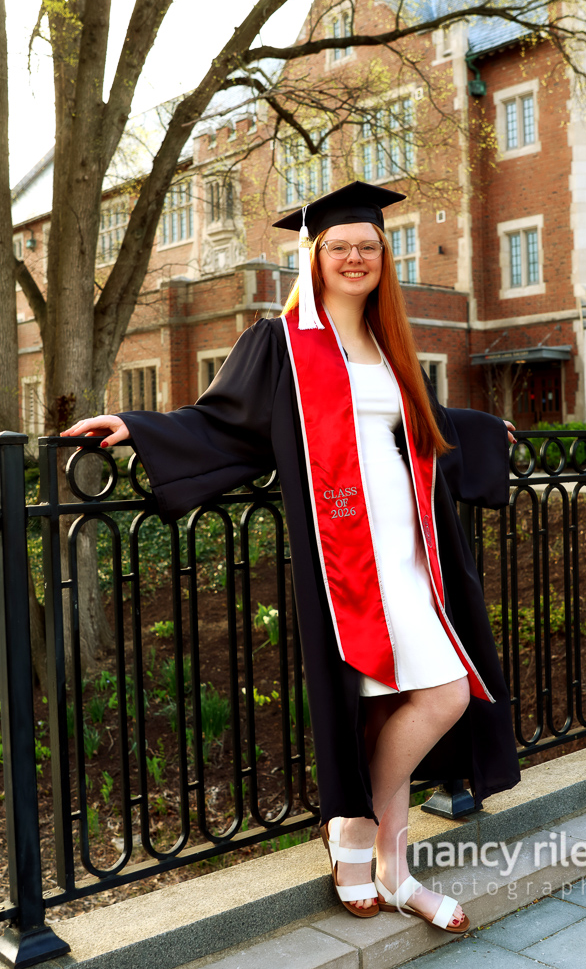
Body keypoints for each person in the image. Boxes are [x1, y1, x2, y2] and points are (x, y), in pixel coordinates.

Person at [62, 181, 520, 934]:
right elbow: (221, 422)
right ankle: (369, 848)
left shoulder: (390, 343)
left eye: (367, 247)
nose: (354, 257)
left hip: (413, 555)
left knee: (433, 694)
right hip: (348, 565)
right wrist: (140, 427)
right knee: (409, 700)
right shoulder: (278, 344)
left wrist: (480, 429)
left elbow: (426, 425)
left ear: (382, 258)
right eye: (338, 246)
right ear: (312, 257)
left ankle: (373, 852)